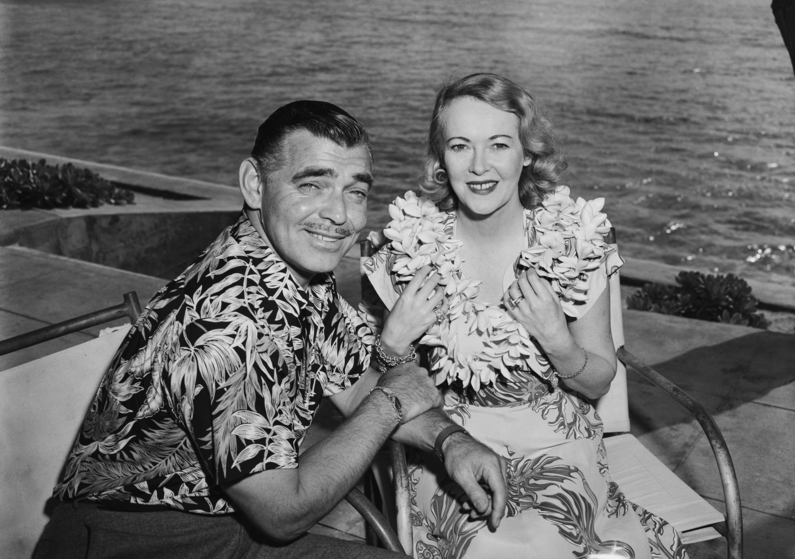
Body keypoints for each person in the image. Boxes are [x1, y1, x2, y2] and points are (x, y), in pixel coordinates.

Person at [35, 100, 507, 559]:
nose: (339, 215)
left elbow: (358, 383)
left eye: (356, 192)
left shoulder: (298, 274)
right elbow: (284, 511)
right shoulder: (225, 321)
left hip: (227, 528)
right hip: (136, 541)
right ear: (254, 185)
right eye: (311, 186)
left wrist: (451, 442)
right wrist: (392, 402)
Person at [364, 74, 689, 558]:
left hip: (560, 449)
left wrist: (558, 341)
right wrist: (390, 345)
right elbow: (367, 399)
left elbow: (599, 381)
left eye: (498, 144)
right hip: (452, 453)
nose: (479, 166)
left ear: (527, 154)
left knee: (556, 539)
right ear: (440, 159)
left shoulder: (575, 242)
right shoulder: (403, 253)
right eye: (459, 146)